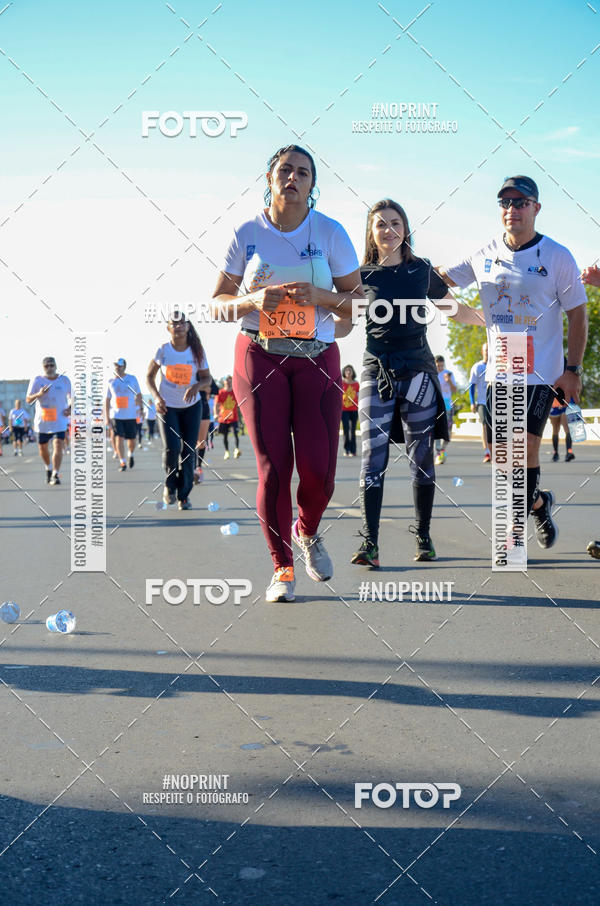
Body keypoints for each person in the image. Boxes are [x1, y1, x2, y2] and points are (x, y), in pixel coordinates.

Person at [212, 144, 363, 602]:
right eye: (285, 170)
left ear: (312, 184)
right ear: (270, 177)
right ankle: (282, 567)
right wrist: (253, 301)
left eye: (302, 172)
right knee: (274, 468)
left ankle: (307, 530)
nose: (292, 178)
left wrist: (321, 296)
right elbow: (218, 305)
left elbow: (361, 304)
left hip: (317, 356)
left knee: (319, 472)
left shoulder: (331, 232)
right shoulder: (247, 232)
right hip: (259, 354)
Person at [438, 175, 588, 550]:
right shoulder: (484, 254)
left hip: (542, 372)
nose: (512, 209)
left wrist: (572, 369)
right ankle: (538, 503)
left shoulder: (557, 256)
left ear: (536, 208)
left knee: (527, 448)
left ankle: (513, 535)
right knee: (506, 460)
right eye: (505, 202)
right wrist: (450, 303)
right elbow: (439, 284)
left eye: (520, 202)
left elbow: (578, 315)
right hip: (501, 370)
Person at [349, 198, 483, 568]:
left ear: (405, 229)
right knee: (372, 457)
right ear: (371, 233)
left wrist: (494, 320)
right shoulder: (360, 276)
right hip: (376, 371)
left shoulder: (421, 269)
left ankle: (424, 536)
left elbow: (456, 310)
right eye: (380, 224)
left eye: (395, 223)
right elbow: (338, 315)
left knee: (421, 456)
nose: (388, 229)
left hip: (418, 372)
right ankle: (370, 543)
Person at [147, 312, 211, 510]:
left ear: (188, 327)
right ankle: (170, 486)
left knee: (188, 451)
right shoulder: (163, 350)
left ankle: (184, 496)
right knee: (172, 448)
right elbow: (149, 377)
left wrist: (196, 386)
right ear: (168, 328)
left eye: (182, 322)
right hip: (167, 407)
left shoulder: (196, 351)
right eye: (174, 323)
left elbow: (207, 378)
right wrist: (157, 398)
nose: (178, 326)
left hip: (192, 407)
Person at [26, 356, 71, 485]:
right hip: (43, 422)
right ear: (43, 367)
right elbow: (28, 400)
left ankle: (55, 474)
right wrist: (39, 394)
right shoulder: (37, 380)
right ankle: (48, 468)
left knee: (58, 445)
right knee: (43, 449)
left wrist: (70, 408)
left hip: (59, 420)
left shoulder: (64, 380)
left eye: (52, 365)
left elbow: (72, 397)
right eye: (47, 366)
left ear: (56, 366)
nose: (49, 368)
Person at [105, 358, 142, 472]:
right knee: (118, 437)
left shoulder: (132, 379)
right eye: (116, 365)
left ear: (124, 367)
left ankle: (130, 454)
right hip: (116, 415)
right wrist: (107, 417)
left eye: (119, 366)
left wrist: (140, 409)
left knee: (132, 440)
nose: (117, 368)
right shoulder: (111, 381)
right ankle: (122, 461)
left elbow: (139, 395)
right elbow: (107, 400)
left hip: (130, 415)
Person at [469, 343, 491, 462]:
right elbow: (471, 385)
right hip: (482, 401)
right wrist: (472, 402)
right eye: (486, 350)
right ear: (482, 352)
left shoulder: (496, 366)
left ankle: (495, 451)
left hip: (495, 401)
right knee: (485, 426)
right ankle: (487, 452)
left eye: (489, 350)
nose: (487, 352)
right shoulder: (477, 367)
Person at [433, 355, 456, 464]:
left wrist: (449, 380)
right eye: (438, 366)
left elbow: (455, 390)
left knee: (448, 431)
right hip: (436, 404)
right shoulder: (432, 374)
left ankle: (442, 449)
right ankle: (438, 452)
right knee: (437, 428)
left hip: (448, 405)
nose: (440, 368)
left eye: (442, 366)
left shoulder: (449, 373)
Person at [216, 376, 240, 460]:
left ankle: (236, 449)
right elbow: (216, 405)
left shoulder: (235, 392)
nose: (229, 383)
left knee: (235, 434)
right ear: (224, 383)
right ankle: (227, 451)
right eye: (227, 381)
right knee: (225, 435)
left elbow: (240, 403)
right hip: (224, 418)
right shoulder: (220, 392)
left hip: (234, 418)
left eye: (230, 381)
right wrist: (216, 414)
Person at [341, 365, 359, 456]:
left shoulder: (356, 384)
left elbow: (358, 395)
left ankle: (353, 451)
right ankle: (346, 450)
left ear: (352, 372)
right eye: (347, 370)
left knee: (353, 431)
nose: (348, 372)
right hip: (344, 410)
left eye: (350, 370)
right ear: (344, 372)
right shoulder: (341, 383)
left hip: (354, 409)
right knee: (346, 430)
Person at [549, 397, 574, 462]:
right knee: (564, 429)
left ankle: (557, 453)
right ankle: (568, 452)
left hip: (557, 404)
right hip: (564, 403)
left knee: (556, 430)